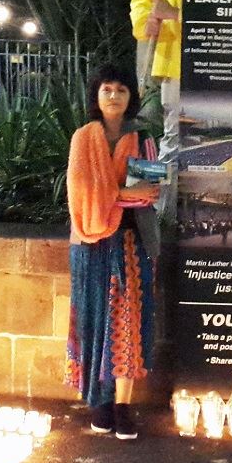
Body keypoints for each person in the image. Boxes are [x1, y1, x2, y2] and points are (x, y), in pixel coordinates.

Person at [65, 64, 159, 440]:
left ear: (131, 96)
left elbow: (149, 193)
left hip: (132, 243)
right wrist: (122, 193)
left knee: (127, 323)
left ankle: (123, 406)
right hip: (90, 245)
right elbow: (80, 194)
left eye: (121, 90)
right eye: (107, 89)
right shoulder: (82, 138)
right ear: (96, 96)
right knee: (92, 322)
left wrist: (112, 196)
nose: (114, 96)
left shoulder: (143, 137)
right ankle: (99, 402)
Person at [130, 0, 232, 217]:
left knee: (216, 139)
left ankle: (202, 212)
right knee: (171, 139)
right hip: (176, 66)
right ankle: (158, 212)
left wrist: (175, 14)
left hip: (222, 67)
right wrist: (146, 22)